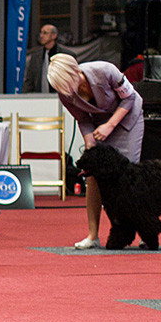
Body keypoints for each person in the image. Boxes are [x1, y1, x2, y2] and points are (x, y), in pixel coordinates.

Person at [47, 53, 144, 249]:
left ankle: (143, 232)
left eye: (66, 84)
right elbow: (83, 119)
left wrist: (110, 125)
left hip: (127, 119)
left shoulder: (104, 70)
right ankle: (93, 236)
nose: (65, 91)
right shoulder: (64, 93)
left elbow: (129, 98)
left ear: (75, 72)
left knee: (129, 176)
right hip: (98, 126)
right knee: (93, 176)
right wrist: (90, 146)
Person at [23, 24, 75, 93]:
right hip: (39, 98)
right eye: (41, 33)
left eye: (45, 33)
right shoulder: (35, 57)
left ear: (54, 35)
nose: (41, 36)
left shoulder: (66, 55)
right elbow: (29, 81)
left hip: (60, 97)